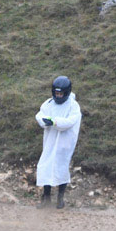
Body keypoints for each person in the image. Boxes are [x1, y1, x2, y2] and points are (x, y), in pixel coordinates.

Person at [34, 75, 81, 208]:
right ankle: (46, 198)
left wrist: (55, 122)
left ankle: (60, 198)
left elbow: (70, 121)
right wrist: (45, 121)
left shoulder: (73, 106)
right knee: (46, 165)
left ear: (66, 92)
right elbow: (40, 115)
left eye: (61, 93)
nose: (58, 96)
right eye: (56, 93)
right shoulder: (49, 103)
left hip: (65, 142)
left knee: (61, 167)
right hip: (50, 139)